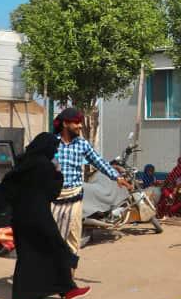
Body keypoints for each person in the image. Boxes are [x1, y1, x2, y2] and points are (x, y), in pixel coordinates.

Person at [1, 132, 89, 299]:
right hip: (39, 216)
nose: (55, 151)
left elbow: (6, 187)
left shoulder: (23, 163)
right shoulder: (45, 166)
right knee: (57, 249)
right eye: (54, 148)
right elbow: (53, 193)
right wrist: (57, 174)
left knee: (28, 257)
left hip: (20, 218)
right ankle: (68, 291)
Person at [52, 108, 130, 269]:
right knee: (53, 237)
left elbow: (98, 162)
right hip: (53, 197)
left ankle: (68, 278)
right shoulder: (51, 143)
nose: (80, 126)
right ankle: (51, 274)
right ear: (66, 124)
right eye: (76, 122)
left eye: (81, 123)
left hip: (73, 196)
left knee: (73, 238)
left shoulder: (82, 144)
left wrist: (117, 177)